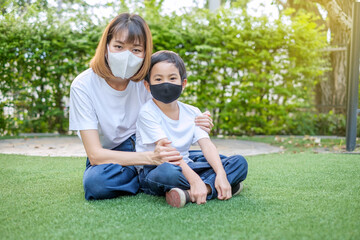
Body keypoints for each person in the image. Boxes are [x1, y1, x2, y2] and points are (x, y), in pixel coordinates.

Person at [69, 13, 213, 200]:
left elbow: (171, 108)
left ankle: (162, 175)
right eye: (118, 47)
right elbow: (95, 155)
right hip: (113, 156)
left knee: (224, 162)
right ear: (106, 47)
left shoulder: (147, 79)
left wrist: (197, 120)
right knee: (96, 183)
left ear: (145, 53)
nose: (127, 56)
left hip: (149, 143)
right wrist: (151, 159)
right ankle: (151, 179)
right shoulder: (83, 85)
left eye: (136, 50)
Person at [136, 50, 248, 208]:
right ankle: (214, 186)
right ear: (148, 85)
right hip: (157, 169)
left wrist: (222, 174)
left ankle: (195, 192)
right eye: (158, 79)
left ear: (183, 84)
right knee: (168, 173)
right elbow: (167, 152)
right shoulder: (147, 112)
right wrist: (194, 179)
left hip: (188, 166)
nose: (166, 84)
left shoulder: (192, 112)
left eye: (172, 78)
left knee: (239, 163)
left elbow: (206, 144)